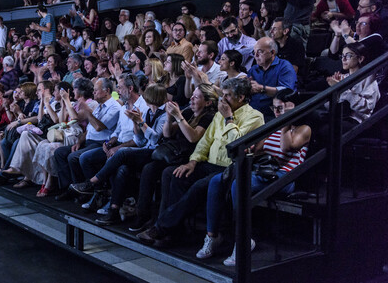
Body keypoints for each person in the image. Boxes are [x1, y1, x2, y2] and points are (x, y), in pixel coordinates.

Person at [137, 78, 264, 247]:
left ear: (241, 98)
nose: (223, 99)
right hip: (209, 163)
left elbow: (236, 144)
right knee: (174, 173)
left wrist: (229, 119)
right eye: (223, 95)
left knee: (198, 187)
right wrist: (193, 162)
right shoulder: (219, 115)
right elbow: (205, 141)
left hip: (230, 167)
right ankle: (174, 231)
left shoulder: (255, 117)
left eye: (227, 96)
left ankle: (161, 228)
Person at [202, 88, 311, 265]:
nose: (276, 113)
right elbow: (258, 149)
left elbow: (286, 148)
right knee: (217, 180)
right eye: (274, 108)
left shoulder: (303, 129)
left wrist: (285, 121)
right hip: (263, 170)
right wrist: (250, 150)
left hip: (284, 176)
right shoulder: (272, 125)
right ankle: (212, 235)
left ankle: (243, 240)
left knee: (240, 184)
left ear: (294, 108)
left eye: (281, 108)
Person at [71, 83, 168, 225]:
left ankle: (92, 183)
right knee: (121, 168)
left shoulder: (164, 115)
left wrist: (140, 122)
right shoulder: (148, 112)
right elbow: (140, 139)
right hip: (142, 149)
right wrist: (136, 123)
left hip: (155, 152)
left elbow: (154, 139)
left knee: (121, 153)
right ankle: (113, 209)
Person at [54, 78, 122, 199]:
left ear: (106, 91)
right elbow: (90, 129)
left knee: (73, 157)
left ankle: (87, 191)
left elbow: (98, 127)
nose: (93, 92)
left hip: (101, 143)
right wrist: (79, 141)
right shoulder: (100, 106)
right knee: (60, 152)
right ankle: (68, 188)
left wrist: (87, 112)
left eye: (96, 90)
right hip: (89, 141)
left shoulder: (114, 107)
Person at [247, 37, 297, 121]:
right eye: (254, 52)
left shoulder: (284, 66)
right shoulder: (253, 69)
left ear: (272, 52)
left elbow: (287, 91)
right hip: (253, 113)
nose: (256, 56)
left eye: (260, 52)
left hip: (274, 115)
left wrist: (262, 89)